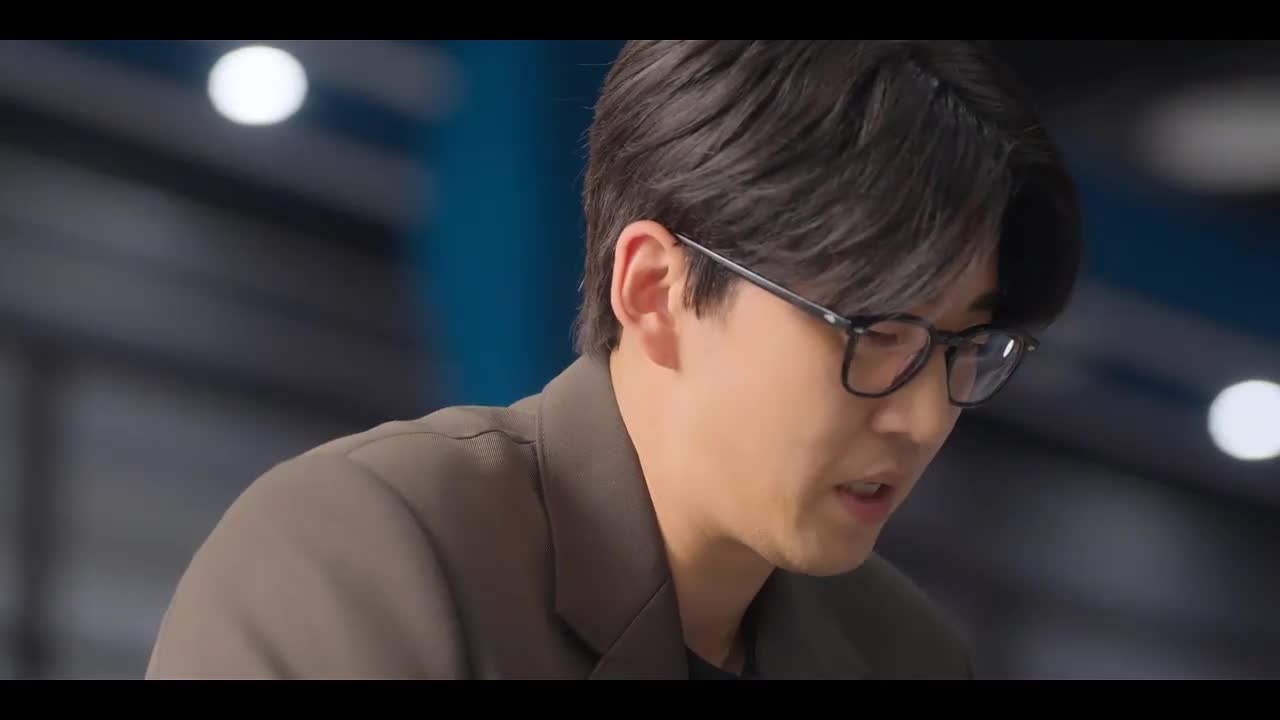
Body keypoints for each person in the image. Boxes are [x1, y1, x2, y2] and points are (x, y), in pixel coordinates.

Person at [145, 40, 1080, 680]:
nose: (925, 417)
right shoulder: (375, 554)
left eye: (962, 345)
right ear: (656, 290)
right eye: (876, 333)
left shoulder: (904, 654)